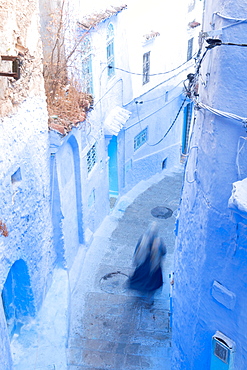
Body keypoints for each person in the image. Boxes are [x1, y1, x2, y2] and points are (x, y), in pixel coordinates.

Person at [127, 222, 167, 305]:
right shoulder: (159, 241)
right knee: (152, 283)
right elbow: (163, 252)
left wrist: (135, 261)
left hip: (143, 265)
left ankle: (142, 293)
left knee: (141, 280)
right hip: (153, 267)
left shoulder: (143, 239)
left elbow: (137, 250)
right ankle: (149, 297)